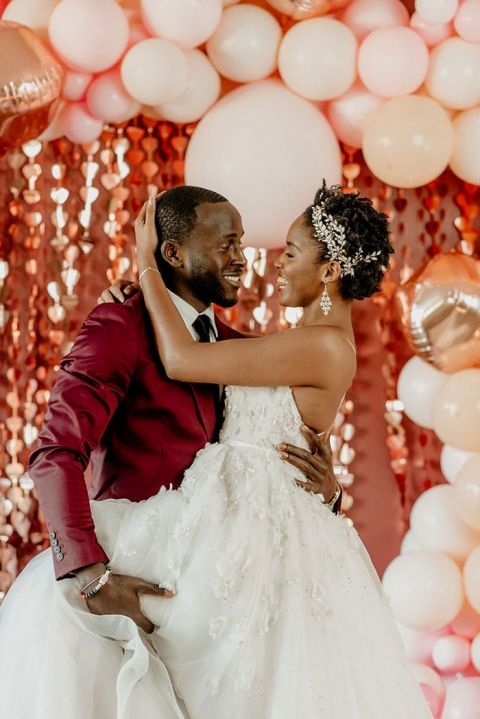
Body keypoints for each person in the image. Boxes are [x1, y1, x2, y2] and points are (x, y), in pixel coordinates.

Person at [0, 186, 340, 719]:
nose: (241, 258)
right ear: (174, 254)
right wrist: (88, 574)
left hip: (215, 602)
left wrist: (328, 489)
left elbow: (269, 443)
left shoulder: (235, 345)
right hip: (129, 584)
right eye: (227, 243)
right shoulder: (120, 325)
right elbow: (56, 452)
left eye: (242, 242)